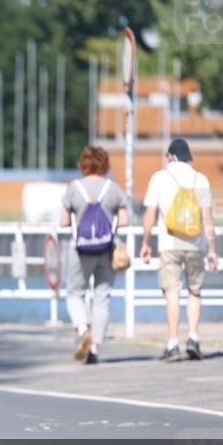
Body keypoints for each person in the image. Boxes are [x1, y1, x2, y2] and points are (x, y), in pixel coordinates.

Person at [140, 138, 217, 361]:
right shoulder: (201, 178)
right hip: (196, 243)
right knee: (195, 291)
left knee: (172, 292)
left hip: (169, 243)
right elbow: (208, 218)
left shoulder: (159, 177)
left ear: (171, 156)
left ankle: (173, 343)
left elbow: (149, 215)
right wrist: (212, 249)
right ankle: (193, 338)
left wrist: (145, 243)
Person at [60, 146, 128, 364]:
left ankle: (82, 331)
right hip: (107, 249)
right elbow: (124, 221)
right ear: (105, 164)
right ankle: (96, 348)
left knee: (74, 293)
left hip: (80, 250)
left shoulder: (74, 187)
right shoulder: (113, 188)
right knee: (102, 297)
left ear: (84, 164)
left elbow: (63, 221)